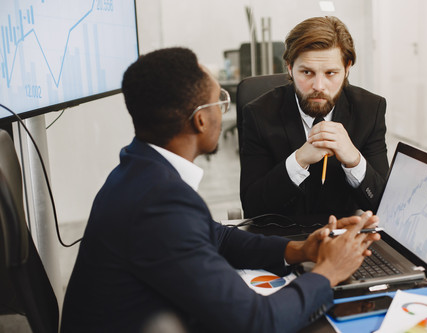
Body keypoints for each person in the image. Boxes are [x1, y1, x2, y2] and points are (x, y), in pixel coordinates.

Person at [60, 47, 380, 333]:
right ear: (200, 120)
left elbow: (217, 236)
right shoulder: (159, 203)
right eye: (220, 101)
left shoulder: (139, 170)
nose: (223, 111)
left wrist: (299, 250)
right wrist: (327, 272)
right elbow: (259, 322)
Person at [240, 16, 389, 219]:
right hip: (284, 241)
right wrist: (298, 160)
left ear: (347, 69)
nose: (319, 86)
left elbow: (384, 205)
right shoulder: (259, 114)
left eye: (330, 73)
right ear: (290, 68)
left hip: (345, 238)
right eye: (307, 72)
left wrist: (354, 160)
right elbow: (252, 207)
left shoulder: (370, 110)